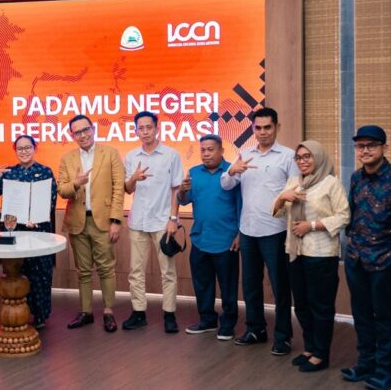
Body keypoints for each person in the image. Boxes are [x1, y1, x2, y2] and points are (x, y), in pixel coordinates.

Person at [220, 107, 297, 355]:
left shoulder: (288, 156)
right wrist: (232, 171)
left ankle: (283, 336)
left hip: (275, 231)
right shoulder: (245, 154)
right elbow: (226, 184)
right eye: (258, 128)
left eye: (267, 127)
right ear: (253, 129)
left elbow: (296, 192)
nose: (263, 132)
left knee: (280, 287)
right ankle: (255, 329)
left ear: (277, 127)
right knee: (251, 285)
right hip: (248, 230)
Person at [272, 140, 349, 372]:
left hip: (321, 254)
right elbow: (277, 213)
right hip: (295, 252)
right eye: (299, 157)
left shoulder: (330, 183)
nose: (302, 161)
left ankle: (321, 355)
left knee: (321, 306)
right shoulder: (294, 182)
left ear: (318, 157)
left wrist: (312, 225)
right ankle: (310, 347)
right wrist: (282, 197)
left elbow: (344, 216)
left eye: (307, 156)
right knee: (302, 305)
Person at [342, 126, 391, 390]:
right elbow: (351, 211)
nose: (365, 150)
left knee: (383, 316)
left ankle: (384, 371)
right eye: (360, 146)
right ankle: (365, 363)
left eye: (371, 145)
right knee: (361, 314)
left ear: (384, 148)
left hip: (384, 258)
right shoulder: (356, 177)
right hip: (355, 256)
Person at [58, 114, 125, 333]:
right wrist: (76, 183)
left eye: (85, 129)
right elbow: (62, 190)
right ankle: (86, 312)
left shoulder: (110, 153)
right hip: (77, 221)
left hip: (103, 221)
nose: (83, 135)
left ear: (93, 129)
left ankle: (108, 312)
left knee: (106, 268)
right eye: (77, 132)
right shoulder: (67, 158)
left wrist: (116, 220)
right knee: (83, 271)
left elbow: (118, 189)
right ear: (72, 135)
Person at [0, 135, 58, 329]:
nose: (24, 151)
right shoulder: (9, 172)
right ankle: (17, 312)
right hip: (14, 231)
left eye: (28, 147)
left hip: (39, 230)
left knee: (41, 274)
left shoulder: (45, 171)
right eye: (20, 148)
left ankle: (40, 315)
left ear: (35, 148)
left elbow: (50, 201)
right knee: (15, 272)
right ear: (15, 151)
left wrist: (38, 218)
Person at [122, 111, 183, 334]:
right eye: (141, 128)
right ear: (136, 130)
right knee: (135, 271)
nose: (145, 131)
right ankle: (139, 313)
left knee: (168, 272)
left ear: (157, 128)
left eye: (149, 127)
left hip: (162, 222)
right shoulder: (131, 156)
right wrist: (133, 178)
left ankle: (169, 314)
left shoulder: (171, 155)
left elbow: (176, 189)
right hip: (138, 220)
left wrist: (173, 219)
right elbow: (128, 189)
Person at [178, 134, 241, 341]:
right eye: (203, 150)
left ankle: (228, 324)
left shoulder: (232, 171)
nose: (206, 154)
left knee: (228, 286)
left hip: (226, 240)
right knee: (202, 284)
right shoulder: (194, 172)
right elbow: (183, 200)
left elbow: (242, 204)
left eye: (210, 149)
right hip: (200, 238)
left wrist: (239, 234)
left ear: (221, 151)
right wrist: (182, 191)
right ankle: (207, 320)